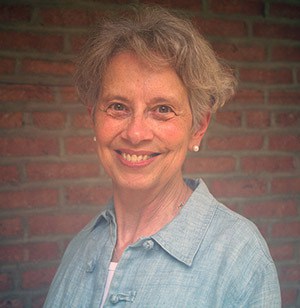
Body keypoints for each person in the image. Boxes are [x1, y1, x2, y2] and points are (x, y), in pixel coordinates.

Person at [44, 5, 281, 307]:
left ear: (198, 127)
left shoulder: (239, 256)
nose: (135, 133)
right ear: (94, 119)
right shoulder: (81, 247)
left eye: (162, 109)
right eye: (118, 106)